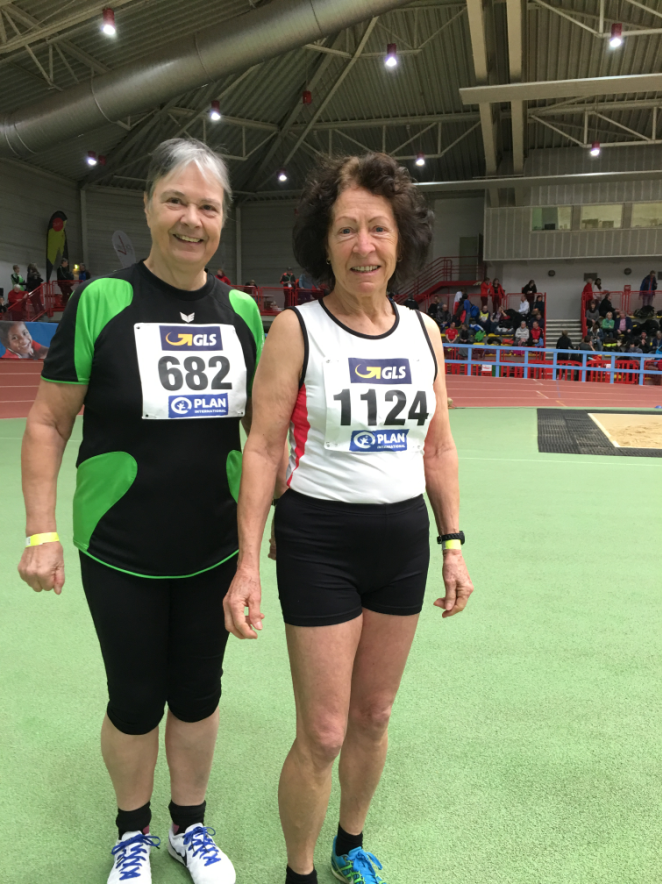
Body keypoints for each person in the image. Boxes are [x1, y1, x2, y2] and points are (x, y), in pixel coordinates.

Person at [17, 138, 264, 884]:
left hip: (214, 548)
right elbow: (48, 422)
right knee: (133, 700)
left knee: (198, 694)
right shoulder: (102, 301)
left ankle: (189, 827)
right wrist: (41, 531)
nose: (191, 219)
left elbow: (265, 439)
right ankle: (132, 834)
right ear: (149, 206)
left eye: (207, 206)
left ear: (224, 218)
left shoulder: (244, 313)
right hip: (119, 545)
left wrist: (271, 531)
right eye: (175, 201)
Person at [223, 152, 474, 884]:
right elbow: (263, 449)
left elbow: (439, 448)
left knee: (374, 716)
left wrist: (452, 544)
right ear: (323, 243)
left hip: (401, 544)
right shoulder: (296, 330)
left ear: (401, 239)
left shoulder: (424, 333)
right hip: (319, 542)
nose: (364, 246)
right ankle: (299, 872)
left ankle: (348, 844)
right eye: (345, 230)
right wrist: (247, 565)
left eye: (378, 228)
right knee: (325, 732)